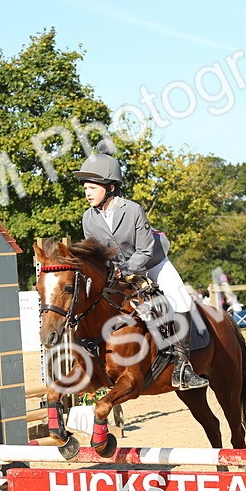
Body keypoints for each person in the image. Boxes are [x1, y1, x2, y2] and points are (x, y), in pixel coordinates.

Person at [73, 142, 209, 390]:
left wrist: (124, 269)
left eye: (92, 188)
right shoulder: (88, 218)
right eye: (85, 188)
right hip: (117, 270)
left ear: (110, 187)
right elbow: (97, 255)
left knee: (180, 301)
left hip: (153, 263)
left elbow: (145, 251)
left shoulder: (133, 210)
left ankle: (183, 367)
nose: (87, 193)